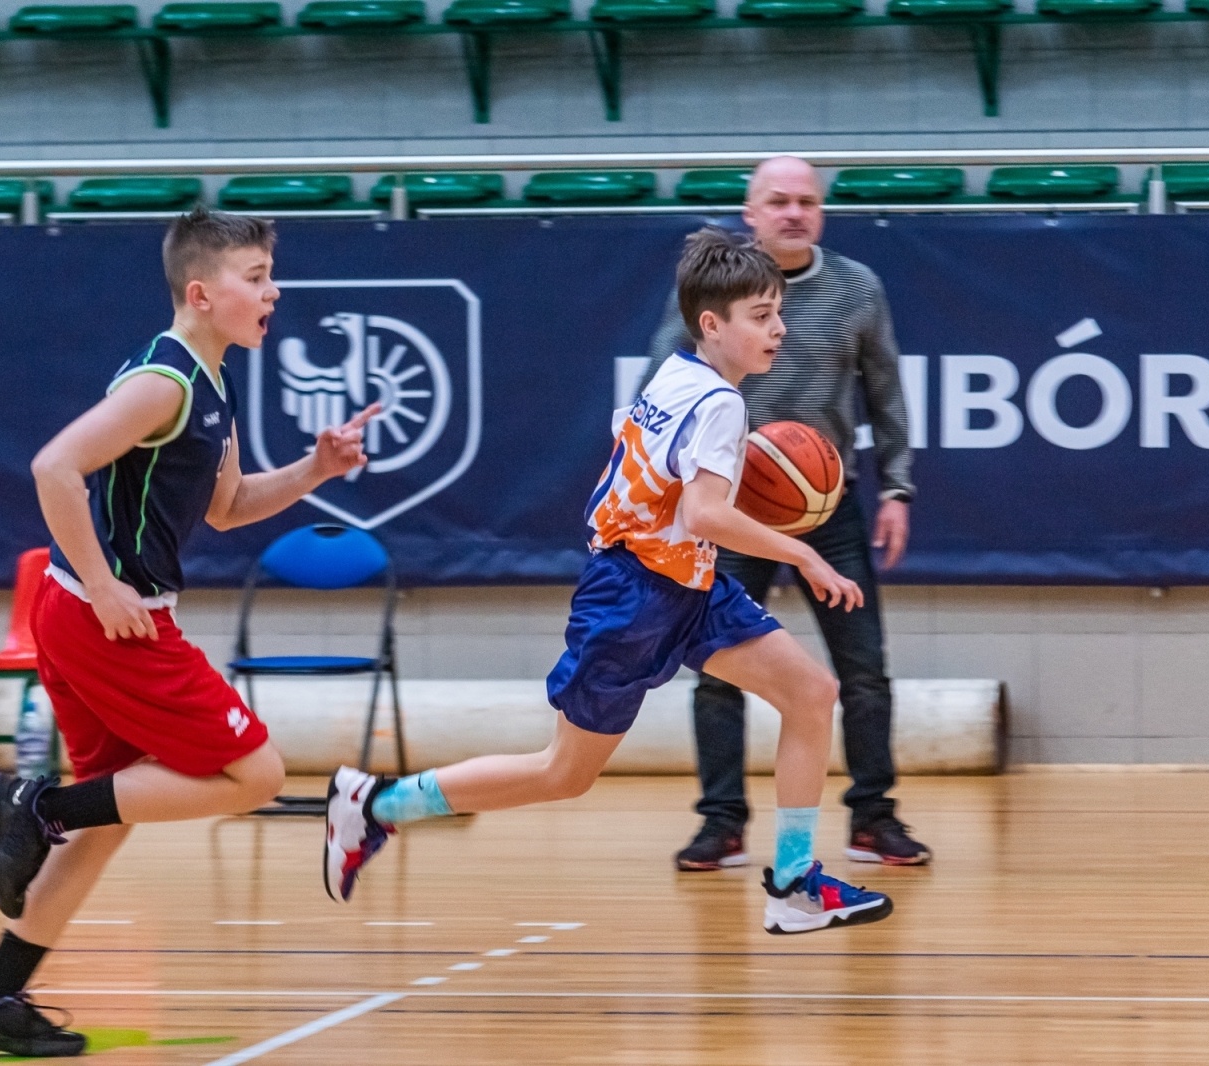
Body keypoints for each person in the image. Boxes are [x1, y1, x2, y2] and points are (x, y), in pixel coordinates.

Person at [324, 227, 894, 937]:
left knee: (811, 693)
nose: (778, 329)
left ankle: (795, 881)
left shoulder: (678, 374)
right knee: (563, 773)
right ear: (712, 324)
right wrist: (804, 554)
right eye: (761, 315)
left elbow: (646, 460)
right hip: (636, 599)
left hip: (682, 583)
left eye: (779, 311)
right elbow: (706, 513)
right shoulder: (719, 403)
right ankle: (377, 803)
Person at [0, 207, 377, 1057]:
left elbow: (229, 505)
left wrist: (315, 469)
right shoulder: (166, 381)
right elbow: (53, 467)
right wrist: (103, 585)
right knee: (256, 772)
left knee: (107, 826)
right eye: (256, 278)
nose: (273, 290)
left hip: (94, 614)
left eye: (269, 274)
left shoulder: (209, 380)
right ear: (201, 292)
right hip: (110, 617)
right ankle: (38, 803)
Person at [641, 156, 929, 872]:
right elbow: (661, 380)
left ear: (821, 212)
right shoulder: (714, 292)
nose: (794, 212)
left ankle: (872, 818)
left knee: (862, 667)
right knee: (716, 670)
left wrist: (896, 487)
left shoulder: (858, 288)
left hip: (828, 509)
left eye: (807, 200)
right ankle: (721, 823)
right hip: (731, 506)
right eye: (778, 200)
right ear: (751, 212)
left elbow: (887, 396)